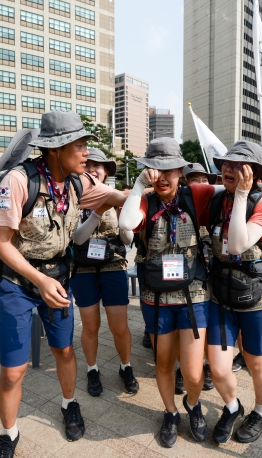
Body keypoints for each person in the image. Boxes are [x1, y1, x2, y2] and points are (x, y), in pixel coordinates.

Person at [0, 111, 129, 458]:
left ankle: (70, 404)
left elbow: (119, 197)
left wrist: (155, 186)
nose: (86, 154)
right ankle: (8, 434)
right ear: (54, 149)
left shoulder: (78, 182)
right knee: (13, 370)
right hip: (19, 283)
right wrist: (37, 279)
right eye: (79, 146)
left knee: (64, 351)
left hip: (59, 278)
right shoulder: (20, 181)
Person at [119, 138, 219, 448]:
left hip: (194, 294)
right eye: (154, 170)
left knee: (191, 371)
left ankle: (192, 403)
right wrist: (137, 186)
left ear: (181, 171)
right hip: (156, 296)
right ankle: (170, 412)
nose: (162, 177)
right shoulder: (145, 201)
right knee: (163, 362)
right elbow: (125, 228)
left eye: (169, 170)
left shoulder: (196, 194)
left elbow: (227, 190)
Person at [207, 141, 262, 444]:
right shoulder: (215, 199)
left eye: (238, 165)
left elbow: (237, 244)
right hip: (221, 298)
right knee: (219, 368)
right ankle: (233, 407)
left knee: (255, 360)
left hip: (256, 301)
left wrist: (243, 196)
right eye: (226, 163)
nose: (228, 169)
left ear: (255, 173)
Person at [70, 148, 139, 396]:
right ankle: (92, 369)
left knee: (119, 326)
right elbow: (77, 239)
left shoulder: (119, 198)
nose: (92, 170)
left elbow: (128, 238)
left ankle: (125, 366)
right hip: (83, 270)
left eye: (97, 165)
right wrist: (99, 209)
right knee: (90, 326)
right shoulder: (74, 198)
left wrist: (124, 220)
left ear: (107, 171)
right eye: (87, 165)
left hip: (114, 267)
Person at [175, 163, 217, 394]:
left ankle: (208, 365)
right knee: (189, 322)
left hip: (215, 271)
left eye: (204, 180)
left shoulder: (218, 203)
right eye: (194, 180)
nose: (200, 184)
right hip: (188, 273)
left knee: (211, 323)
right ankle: (183, 367)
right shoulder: (178, 203)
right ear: (184, 182)